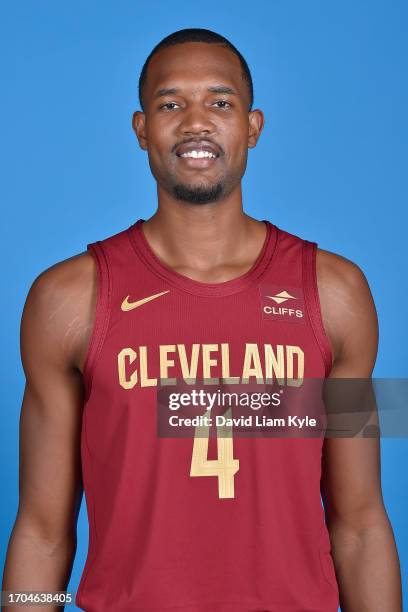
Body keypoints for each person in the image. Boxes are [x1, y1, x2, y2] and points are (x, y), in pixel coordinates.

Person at [2, 28, 402, 612]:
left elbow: (361, 521)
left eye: (220, 102)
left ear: (252, 126)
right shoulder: (66, 300)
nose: (195, 123)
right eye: (170, 104)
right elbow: (42, 529)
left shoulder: (336, 293)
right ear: (142, 130)